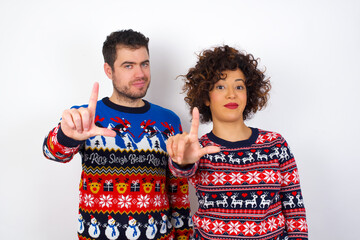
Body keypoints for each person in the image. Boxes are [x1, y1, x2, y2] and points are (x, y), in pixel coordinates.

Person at [43, 29, 192, 240]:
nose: (140, 74)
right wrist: (67, 136)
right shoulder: (86, 117)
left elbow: (178, 189)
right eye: (128, 65)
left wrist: (184, 235)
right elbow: (52, 153)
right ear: (109, 70)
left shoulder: (168, 120)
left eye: (145, 64)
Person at [167, 45, 308, 240]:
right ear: (206, 97)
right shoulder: (199, 149)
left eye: (239, 86)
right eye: (220, 86)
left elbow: (295, 213)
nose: (231, 94)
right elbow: (181, 170)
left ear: (248, 93)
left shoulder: (275, 144)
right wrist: (183, 160)